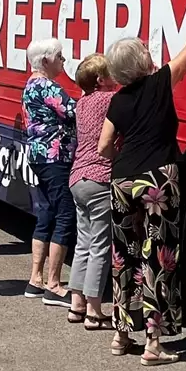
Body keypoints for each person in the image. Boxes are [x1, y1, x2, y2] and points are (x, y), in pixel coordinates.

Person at [100, 0, 186, 364]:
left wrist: (124, 153)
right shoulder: (161, 82)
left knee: (123, 256)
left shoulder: (117, 101)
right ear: (142, 62)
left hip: (122, 180)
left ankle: (120, 335)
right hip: (159, 179)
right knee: (158, 258)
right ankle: (153, 344)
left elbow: (103, 147)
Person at [21, 37, 77, 307]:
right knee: (65, 212)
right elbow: (74, 112)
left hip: (38, 155)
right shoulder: (47, 86)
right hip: (55, 156)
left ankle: (36, 279)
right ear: (45, 61)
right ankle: (54, 284)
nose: (63, 61)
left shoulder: (30, 85)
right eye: (60, 57)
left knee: (46, 212)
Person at [67, 54, 118, 330]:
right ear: (101, 80)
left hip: (78, 177)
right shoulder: (107, 99)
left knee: (83, 243)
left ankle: (76, 304)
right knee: (99, 246)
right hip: (100, 176)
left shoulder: (81, 102)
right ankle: (94, 311)